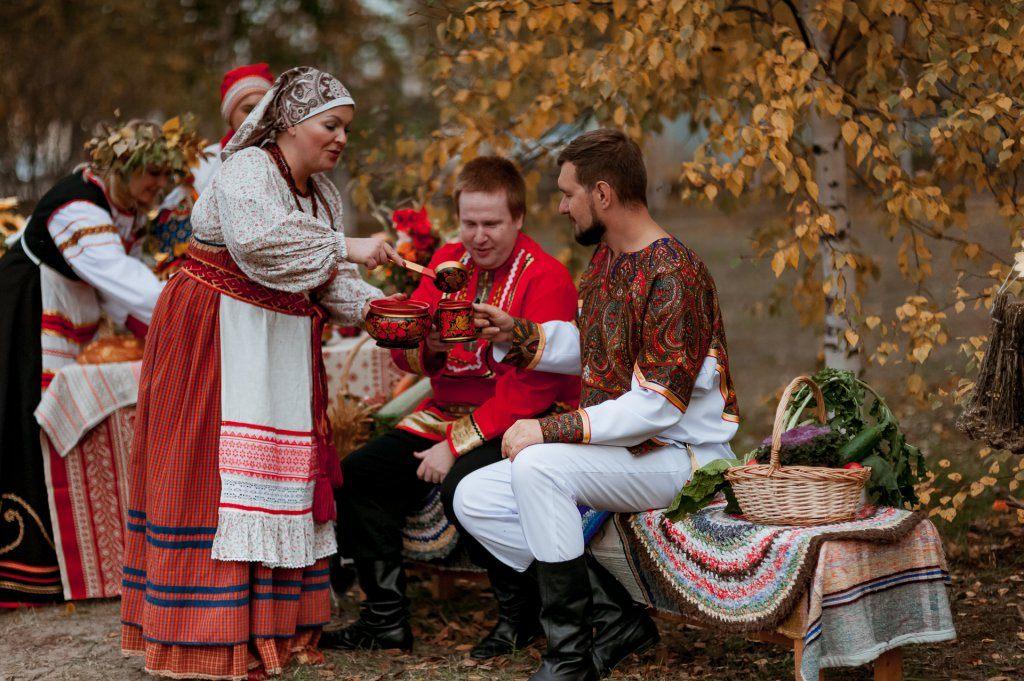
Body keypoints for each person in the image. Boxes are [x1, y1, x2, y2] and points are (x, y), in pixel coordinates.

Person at [120, 66, 400, 680]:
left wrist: (383, 312)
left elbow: (329, 282)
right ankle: (204, 637)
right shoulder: (247, 169)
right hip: (213, 336)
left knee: (275, 475)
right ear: (292, 123)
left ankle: (272, 629)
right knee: (209, 475)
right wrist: (345, 246)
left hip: (276, 340)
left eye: (346, 128)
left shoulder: (321, 193)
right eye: (332, 125)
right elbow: (260, 243)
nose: (341, 138)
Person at [459, 129, 740, 680]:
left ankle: (568, 659)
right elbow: (597, 348)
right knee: (474, 497)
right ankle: (614, 617)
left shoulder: (675, 274)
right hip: (626, 450)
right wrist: (521, 334)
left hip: (681, 457)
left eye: (569, 193)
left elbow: (657, 404)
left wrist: (550, 429)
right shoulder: (612, 260)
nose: (562, 206)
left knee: (537, 464)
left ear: (603, 194)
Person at [320, 157, 580, 657]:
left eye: (492, 224)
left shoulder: (546, 277)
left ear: (519, 219)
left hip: (522, 421)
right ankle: (385, 620)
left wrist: (453, 446)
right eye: (469, 223)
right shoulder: (443, 264)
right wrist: (430, 346)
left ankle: (518, 616)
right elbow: (405, 353)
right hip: (443, 411)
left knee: (467, 482)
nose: (478, 237)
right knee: (359, 473)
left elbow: (538, 386)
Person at [0, 118, 195, 608]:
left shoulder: (119, 208)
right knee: (26, 426)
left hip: (64, 317)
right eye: (151, 173)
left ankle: (57, 565)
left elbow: (117, 294)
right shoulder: (76, 208)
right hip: (25, 316)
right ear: (120, 166)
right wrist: (195, 313)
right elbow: (123, 279)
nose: (159, 186)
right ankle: (25, 568)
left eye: (165, 177)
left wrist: (157, 334)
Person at [151, 64, 275, 262]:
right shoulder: (201, 164)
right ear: (229, 115)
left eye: (265, 109)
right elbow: (171, 234)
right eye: (248, 110)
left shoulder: (285, 162)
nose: (257, 118)